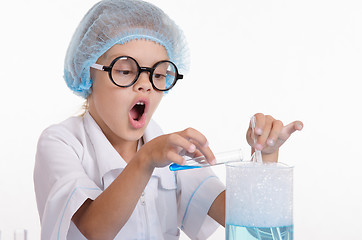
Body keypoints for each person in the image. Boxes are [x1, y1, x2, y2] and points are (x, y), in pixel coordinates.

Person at [33, 0, 303, 239]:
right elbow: (95, 230)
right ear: (87, 73)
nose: (145, 85)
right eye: (126, 70)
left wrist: (265, 155)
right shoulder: (61, 142)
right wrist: (146, 160)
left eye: (159, 75)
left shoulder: (168, 151)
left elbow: (246, 221)